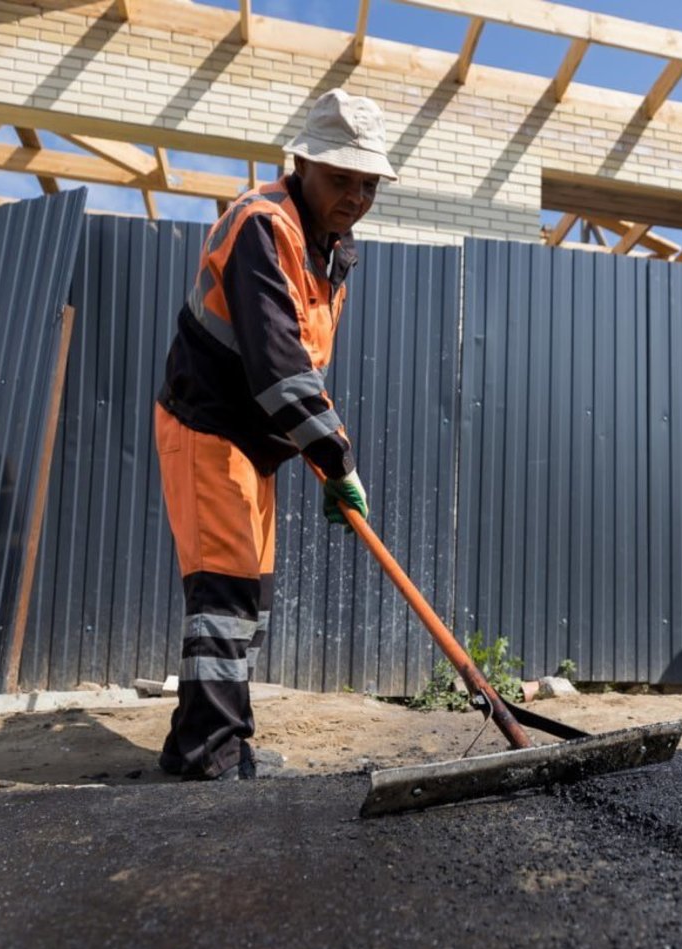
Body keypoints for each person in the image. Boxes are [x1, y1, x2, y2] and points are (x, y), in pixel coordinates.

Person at [152, 89, 397, 778]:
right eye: (342, 178)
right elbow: (278, 365)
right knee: (224, 594)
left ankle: (211, 744)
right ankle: (211, 756)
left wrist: (321, 459)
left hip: (255, 445)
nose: (355, 195)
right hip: (207, 423)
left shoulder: (331, 249)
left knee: (247, 597)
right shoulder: (262, 224)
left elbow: (303, 369)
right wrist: (338, 457)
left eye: (368, 183)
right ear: (301, 162)